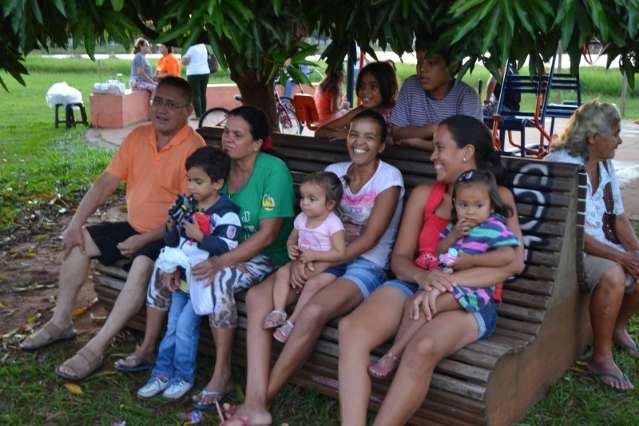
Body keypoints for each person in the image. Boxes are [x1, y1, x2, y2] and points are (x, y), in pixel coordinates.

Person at [338, 115, 524, 426]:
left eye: (439, 148)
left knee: (422, 347)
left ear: (466, 152)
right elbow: (399, 260)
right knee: (351, 330)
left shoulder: (497, 198)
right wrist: (425, 277)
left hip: (470, 296)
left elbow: (513, 263)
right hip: (416, 284)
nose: (432, 155)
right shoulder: (425, 195)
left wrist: (446, 283)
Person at [222, 109, 404, 425]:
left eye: (369, 137)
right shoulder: (333, 172)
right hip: (319, 258)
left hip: (364, 265)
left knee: (314, 311)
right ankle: (253, 399)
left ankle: (260, 403)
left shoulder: (389, 178)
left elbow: (371, 238)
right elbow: (308, 222)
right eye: (353, 134)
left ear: (381, 145)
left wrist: (323, 261)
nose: (359, 142)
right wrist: (304, 256)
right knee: (257, 298)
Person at [19, 77, 206, 381]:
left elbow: (189, 212)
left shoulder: (194, 149)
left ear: (188, 110)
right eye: (158, 101)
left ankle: (96, 345)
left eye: (172, 104)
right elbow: (106, 182)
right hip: (134, 226)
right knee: (80, 242)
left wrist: (144, 239)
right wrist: (75, 223)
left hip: (170, 236)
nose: (162, 109)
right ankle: (61, 322)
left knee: (143, 264)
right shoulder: (138, 137)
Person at [117, 105, 295, 408]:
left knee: (218, 278)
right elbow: (189, 216)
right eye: (226, 131)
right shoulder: (218, 169)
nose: (227, 139)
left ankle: (222, 372)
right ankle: (149, 347)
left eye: (237, 135)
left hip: (264, 256)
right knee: (165, 265)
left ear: (256, 143)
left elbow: (266, 236)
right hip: (210, 249)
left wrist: (216, 263)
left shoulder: (272, 170)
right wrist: (181, 258)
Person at [368, 168, 520, 379]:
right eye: (464, 205)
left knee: (426, 306)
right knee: (414, 302)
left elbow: (507, 257)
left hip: (474, 290)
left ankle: (392, 355)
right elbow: (440, 251)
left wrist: (471, 260)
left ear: (491, 206)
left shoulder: (495, 227)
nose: (470, 211)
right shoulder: (457, 228)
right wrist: (453, 236)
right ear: (455, 204)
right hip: (449, 283)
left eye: (478, 205)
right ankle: (398, 355)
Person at [545, 101, 639, 391]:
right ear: (592, 137)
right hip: (567, 252)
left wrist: (635, 252)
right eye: (616, 132)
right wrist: (621, 256)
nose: (620, 139)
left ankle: (618, 327)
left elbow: (619, 218)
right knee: (613, 273)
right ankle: (600, 357)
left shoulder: (603, 164)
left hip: (596, 247)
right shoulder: (563, 165)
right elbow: (571, 232)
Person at [137, 146, 241, 400]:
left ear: (217, 183)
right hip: (182, 281)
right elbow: (174, 242)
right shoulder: (189, 207)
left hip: (202, 285)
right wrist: (172, 225)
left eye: (198, 181)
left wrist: (201, 236)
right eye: (189, 180)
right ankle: (162, 373)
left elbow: (228, 247)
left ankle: (184, 376)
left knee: (184, 328)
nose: (191, 186)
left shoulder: (227, 213)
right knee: (172, 326)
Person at [263, 171, 346, 343]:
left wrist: (315, 255)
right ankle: (278, 311)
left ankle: (291, 322)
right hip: (303, 260)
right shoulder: (302, 218)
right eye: (303, 198)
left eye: (312, 199)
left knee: (312, 284)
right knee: (282, 273)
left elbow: (340, 253)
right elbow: (292, 239)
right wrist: (291, 249)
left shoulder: (333, 223)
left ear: (330, 204)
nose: (305, 203)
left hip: (329, 265)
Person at [391, 39, 482, 151]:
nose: (422, 69)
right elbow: (396, 133)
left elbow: (466, 144)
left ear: (453, 66)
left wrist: (418, 143)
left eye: (432, 62)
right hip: (410, 165)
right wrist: (434, 128)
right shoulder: (411, 86)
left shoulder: (467, 96)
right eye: (419, 61)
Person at [315, 61, 398, 142]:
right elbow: (320, 132)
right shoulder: (360, 111)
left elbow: (392, 140)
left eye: (373, 87)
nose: (365, 92)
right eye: (362, 86)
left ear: (389, 88)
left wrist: (353, 135)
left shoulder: (396, 112)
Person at [182, 43, 210, 119]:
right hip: (205, 72)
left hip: (193, 73)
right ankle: (203, 115)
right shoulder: (203, 46)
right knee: (203, 94)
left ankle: (198, 116)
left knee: (196, 95)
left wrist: (182, 61)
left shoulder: (190, 47)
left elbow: (185, 61)